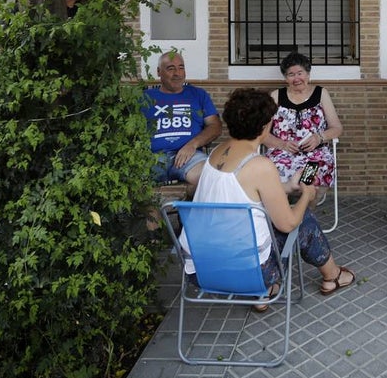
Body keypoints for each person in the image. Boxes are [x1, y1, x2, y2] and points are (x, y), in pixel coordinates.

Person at [183, 87, 355, 309]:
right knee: (302, 219)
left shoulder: (216, 153)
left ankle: (267, 292)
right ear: (265, 126)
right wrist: (307, 195)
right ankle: (332, 275)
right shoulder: (261, 166)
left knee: (282, 215)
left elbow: (243, 190)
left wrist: (287, 186)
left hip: (200, 269)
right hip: (247, 273)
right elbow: (289, 223)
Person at [262, 52, 344, 205]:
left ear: (308, 73)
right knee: (272, 173)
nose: (296, 78)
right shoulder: (276, 96)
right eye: (291, 74)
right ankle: (282, 215)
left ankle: (305, 215)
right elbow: (263, 134)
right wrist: (282, 144)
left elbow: (337, 127)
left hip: (315, 155)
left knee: (309, 181)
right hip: (282, 153)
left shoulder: (320, 94)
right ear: (286, 78)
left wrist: (319, 137)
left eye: (300, 73)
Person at [142, 52, 223, 186]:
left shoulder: (198, 95)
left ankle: (185, 204)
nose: (177, 73)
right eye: (171, 68)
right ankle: (152, 208)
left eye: (181, 67)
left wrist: (192, 144)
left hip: (190, 158)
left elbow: (215, 126)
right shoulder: (144, 98)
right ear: (158, 72)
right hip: (151, 159)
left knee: (210, 179)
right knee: (129, 183)